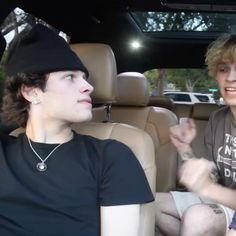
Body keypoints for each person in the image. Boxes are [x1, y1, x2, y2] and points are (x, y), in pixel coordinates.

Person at [0, 23, 154, 236]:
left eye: (84, 77)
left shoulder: (111, 156)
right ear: (32, 92)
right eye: (70, 77)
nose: (88, 87)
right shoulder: (4, 150)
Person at [155, 33, 236, 236]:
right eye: (223, 69)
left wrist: (207, 189)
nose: (231, 78)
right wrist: (185, 149)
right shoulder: (218, 119)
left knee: (197, 217)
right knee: (150, 202)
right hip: (224, 204)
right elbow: (214, 177)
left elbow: (209, 187)